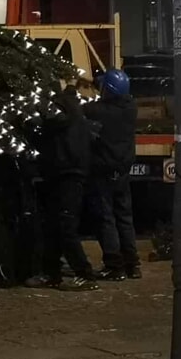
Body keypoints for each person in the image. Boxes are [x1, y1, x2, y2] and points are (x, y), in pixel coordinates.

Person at [25, 86, 98, 291]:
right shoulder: (72, 110)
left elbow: (50, 125)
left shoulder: (60, 111)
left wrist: (31, 123)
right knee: (53, 226)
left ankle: (84, 274)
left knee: (65, 226)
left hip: (68, 174)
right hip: (63, 173)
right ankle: (52, 273)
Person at [86, 69, 140, 281]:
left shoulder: (99, 111)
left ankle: (114, 265)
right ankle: (132, 264)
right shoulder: (130, 108)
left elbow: (86, 109)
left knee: (106, 218)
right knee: (125, 217)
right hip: (123, 172)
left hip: (104, 172)